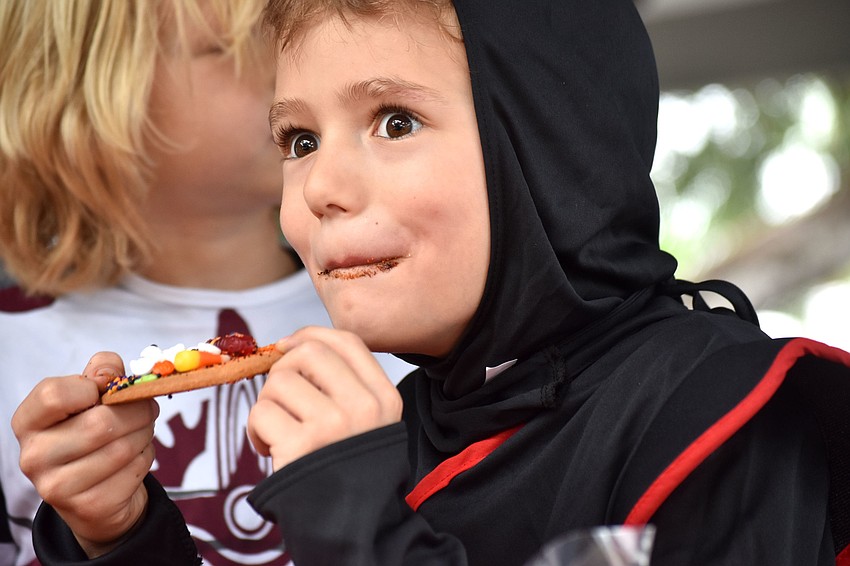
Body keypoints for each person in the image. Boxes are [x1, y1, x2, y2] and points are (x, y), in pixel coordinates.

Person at [14, 0, 850, 564]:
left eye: (395, 121)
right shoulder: (404, 428)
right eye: (298, 138)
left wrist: (360, 523)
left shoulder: (724, 414)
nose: (319, 186)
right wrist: (122, 536)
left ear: (547, 150)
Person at [0, 2, 412, 566]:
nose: (294, 59)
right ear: (90, 96)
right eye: (231, 48)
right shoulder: (11, 353)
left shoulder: (409, 311)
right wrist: (97, 538)